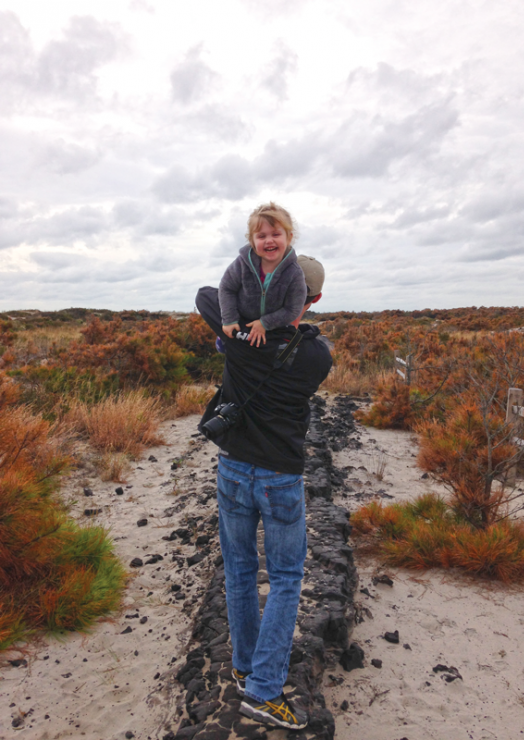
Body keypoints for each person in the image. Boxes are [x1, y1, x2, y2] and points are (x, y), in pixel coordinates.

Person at [195, 255, 332, 731]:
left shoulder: (236, 338)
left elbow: (205, 296)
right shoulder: (318, 355)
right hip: (279, 475)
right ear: (313, 299)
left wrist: (254, 289)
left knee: (239, 570)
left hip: (232, 468)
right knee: (287, 577)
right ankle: (264, 690)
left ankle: (244, 665)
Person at [218, 202, 308, 348]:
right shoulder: (242, 263)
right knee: (204, 295)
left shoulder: (294, 273)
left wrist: (265, 323)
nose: (269, 240)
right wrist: (229, 319)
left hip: (272, 326)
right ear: (252, 241)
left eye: (276, 234)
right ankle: (230, 335)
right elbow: (227, 288)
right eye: (261, 236)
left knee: (266, 349)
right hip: (241, 319)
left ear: (289, 237)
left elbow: (293, 309)